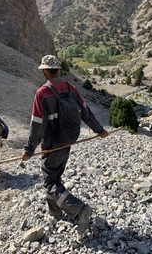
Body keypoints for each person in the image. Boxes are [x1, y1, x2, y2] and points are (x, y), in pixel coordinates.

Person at [22, 54, 109, 235]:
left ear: (45, 71)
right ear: (59, 70)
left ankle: (79, 210)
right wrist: (99, 130)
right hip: (68, 140)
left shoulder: (42, 93)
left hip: (52, 144)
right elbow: (86, 112)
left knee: (50, 182)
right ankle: (56, 213)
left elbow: (37, 123)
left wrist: (29, 149)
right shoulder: (71, 88)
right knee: (55, 176)